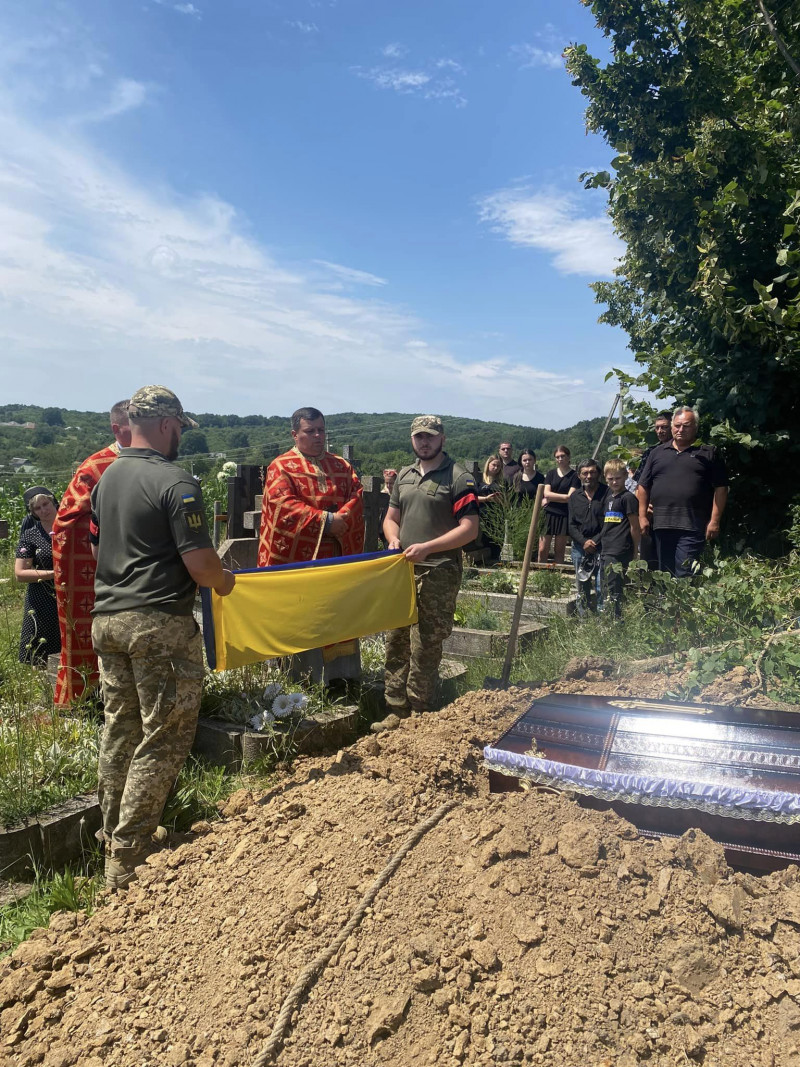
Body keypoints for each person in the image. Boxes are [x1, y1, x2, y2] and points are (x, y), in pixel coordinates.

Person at [90, 385, 235, 890]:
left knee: (121, 729)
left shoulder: (105, 478)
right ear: (170, 425)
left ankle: (111, 835)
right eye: (180, 430)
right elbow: (200, 566)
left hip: (107, 619)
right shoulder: (177, 482)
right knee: (164, 734)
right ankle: (129, 858)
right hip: (157, 623)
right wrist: (224, 579)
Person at [257, 406, 364, 683]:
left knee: (337, 617)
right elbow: (282, 507)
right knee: (302, 620)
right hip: (300, 563)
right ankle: (301, 682)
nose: (318, 436)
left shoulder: (342, 466)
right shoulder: (280, 467)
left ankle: (341, 679)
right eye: (310, 431)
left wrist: (342, 520)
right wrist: (325, 521)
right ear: (295, 434)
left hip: (336, 558)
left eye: (321, 430)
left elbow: (357, 496)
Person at [383, 416, 479, 715]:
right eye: (419, 437)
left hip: (439, 571)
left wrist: (428, 548)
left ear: (442, 439)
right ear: (412, 439)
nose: (424, 442)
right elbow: (390, 518)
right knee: (396, 640)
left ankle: (418, 711)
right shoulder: (405, 476)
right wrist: (392, 539)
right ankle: (395, 709)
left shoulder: (458, 477)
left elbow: (469, 528)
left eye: (430, 436)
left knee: (425, 645)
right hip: (404, 570)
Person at [51, 400, 131, 707]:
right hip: (100, 566)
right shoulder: (96, 466)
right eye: (131, 427)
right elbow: (67, 523)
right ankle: (82, 703)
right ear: (117, 429)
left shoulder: (152, 461)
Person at [636, 406, 728, 578]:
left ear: (696, 427)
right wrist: (642, 516)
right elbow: (643, 486)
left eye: (686, 426)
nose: (680, 430)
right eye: (677, 426)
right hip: (661, 525)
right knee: (664, 574)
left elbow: (721, 488)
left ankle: (684, 605)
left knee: (685, 573)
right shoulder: (656, 453)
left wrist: (715, 520)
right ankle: (666, 605)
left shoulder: (708, 453)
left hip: (692, 525)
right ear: (672, 427)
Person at [15, 488, 61, 666]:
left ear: (53, 503)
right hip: (41, 598)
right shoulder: (30, 535)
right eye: (38, 508)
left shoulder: (72, 529)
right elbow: (20, 573)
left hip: (73, 595)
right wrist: (53, 574)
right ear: (33, 513)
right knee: (42, 654)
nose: (44, 510)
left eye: (46, 504)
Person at [568, 458, 609, 616]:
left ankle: (602, 620)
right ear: (579, 475)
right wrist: (584, 542)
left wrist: (595, 541)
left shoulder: (607, 494)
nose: (589, 476)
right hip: (580, 547)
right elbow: (571, 525)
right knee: (582, 586)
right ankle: (584, 619)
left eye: (592, 472)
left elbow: (609, 523)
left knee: (601, 586)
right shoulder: (574, 497)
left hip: (602, 547)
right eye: (585, 473)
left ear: (598, 474)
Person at [600, 459, 641, 618]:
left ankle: (616, 621)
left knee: (614, 588)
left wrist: (635, 550)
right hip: (606, 548)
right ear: (605, 478)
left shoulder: (628, 498)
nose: (614, 481)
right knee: (605, 587)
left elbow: (634, 526)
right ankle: (609, 619)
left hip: (620, 548)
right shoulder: (609, 498)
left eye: (618, 478)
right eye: (611, 479)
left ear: (625, 476)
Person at [635, 412, 673, 569]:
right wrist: (642, 510)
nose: (659, 431)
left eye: (664, 427)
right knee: (650, 558)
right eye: (657, 428)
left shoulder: (688, 452)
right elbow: (640, 485)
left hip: (676, 513)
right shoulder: (651, 453)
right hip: (652, 514)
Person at [538, 445, 580, 564]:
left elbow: (569, 497)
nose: (560, 459)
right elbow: (546, 493)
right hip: (548, 514)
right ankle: (540, 574)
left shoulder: (574, 476)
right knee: (542, 549)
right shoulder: (551, 474)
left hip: (564, 515)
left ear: (568, 457)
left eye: (562, 456)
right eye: (557, 457)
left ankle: (557, 576)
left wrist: (551, 497)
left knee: (559, 550)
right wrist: (554, 497)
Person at [478, 455, 504, 562]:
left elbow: (507, 500)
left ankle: (495, 561)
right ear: (488, 465)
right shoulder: (480, 481)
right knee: (482, 539)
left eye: (498, 466)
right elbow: (473, 497)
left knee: (495, 541)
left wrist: (501, 500)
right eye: (494, 465)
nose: (496, 468)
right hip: (482, 514)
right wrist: (486, 499)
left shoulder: (502, 482)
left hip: (497, 515)